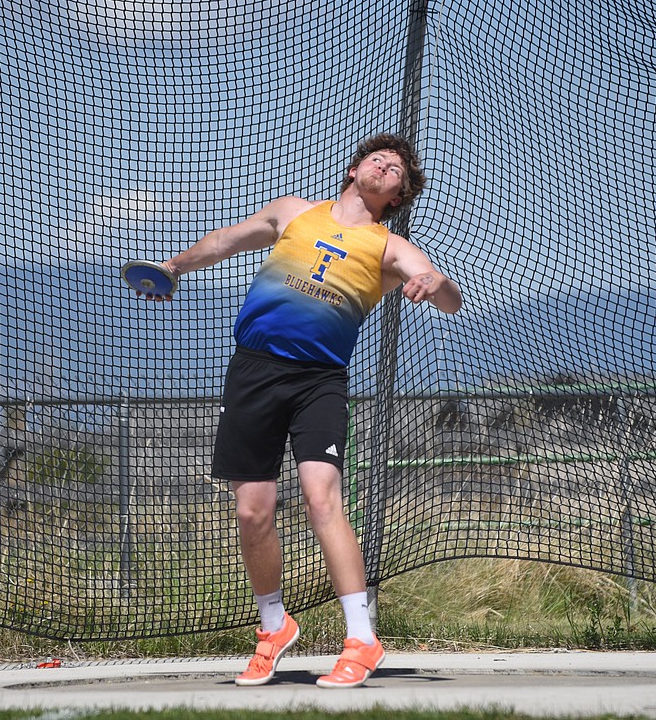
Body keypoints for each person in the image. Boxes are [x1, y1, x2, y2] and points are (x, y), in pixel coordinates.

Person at [144, 133, 461, 688]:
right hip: (253, 371)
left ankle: (362, 639)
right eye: (378, 158)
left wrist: (436, 283)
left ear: (397, 195)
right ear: (355, 168)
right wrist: (172, 267)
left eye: (396, 171)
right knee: (252, 511)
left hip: (319, 382)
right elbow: (222, 241)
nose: (386, 166)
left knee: (322, 497)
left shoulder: (390, 248)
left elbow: (447, 294)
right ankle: (273, 628)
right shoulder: (293, 214)